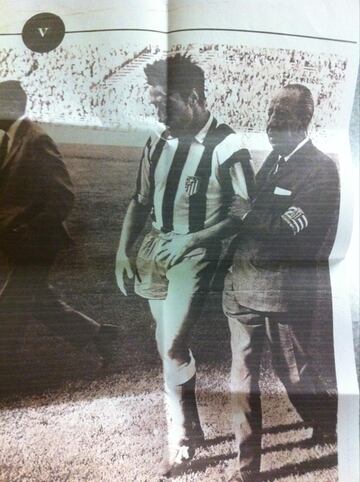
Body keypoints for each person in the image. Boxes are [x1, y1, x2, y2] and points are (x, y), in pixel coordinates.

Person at [116, 54, 255, 476]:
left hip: (193, 255)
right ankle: (191, 427)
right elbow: (139, 200)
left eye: (164, 103)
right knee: (165, 343)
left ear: (192, 98)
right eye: (154, 102)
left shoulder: (229, 144)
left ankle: (179, 438)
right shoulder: (157, 142)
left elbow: (243, 211)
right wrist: (123, 250)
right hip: (154, 250)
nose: (156, 111)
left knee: (172, 344)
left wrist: (193, 239)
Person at [223, 84, 340, 482]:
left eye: (282, 117)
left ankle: (328, 423)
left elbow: (290, 232)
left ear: (303, 121)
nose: (271, 124)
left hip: (281, 292)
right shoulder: (273, 159)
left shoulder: (321, 170)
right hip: (243, 287)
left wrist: (244, 214)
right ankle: (246, 469)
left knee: (293, 370)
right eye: (270, 115)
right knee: (243, 373)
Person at [0, 80, 117, 382]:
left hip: (37, 244)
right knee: (40, 302)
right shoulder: (10, 139)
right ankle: (101, 335)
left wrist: (27, 229)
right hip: (18, 242)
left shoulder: (36, 140)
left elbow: (63, 196)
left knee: (11, 304)